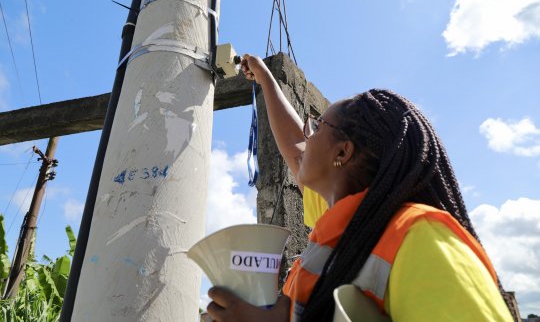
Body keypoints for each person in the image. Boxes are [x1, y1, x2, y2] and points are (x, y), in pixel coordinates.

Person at [206, 55, 514, 321]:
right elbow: (294, 147)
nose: (305, 133)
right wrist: (265, 79)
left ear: (342, 153)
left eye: (316, 126)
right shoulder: (346, 224)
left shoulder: (420, 237)